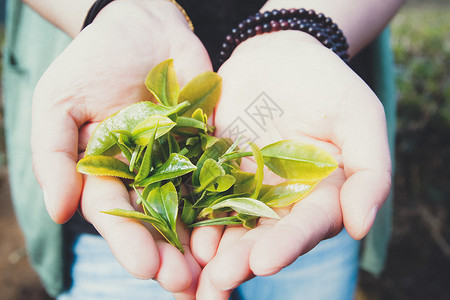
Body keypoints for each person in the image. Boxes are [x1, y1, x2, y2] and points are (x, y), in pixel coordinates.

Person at [2, 0, 403, 299]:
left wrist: (301, 25)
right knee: (145, 261)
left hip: (306, 145)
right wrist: (121, 8)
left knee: (282, 253)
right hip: (126, 215)